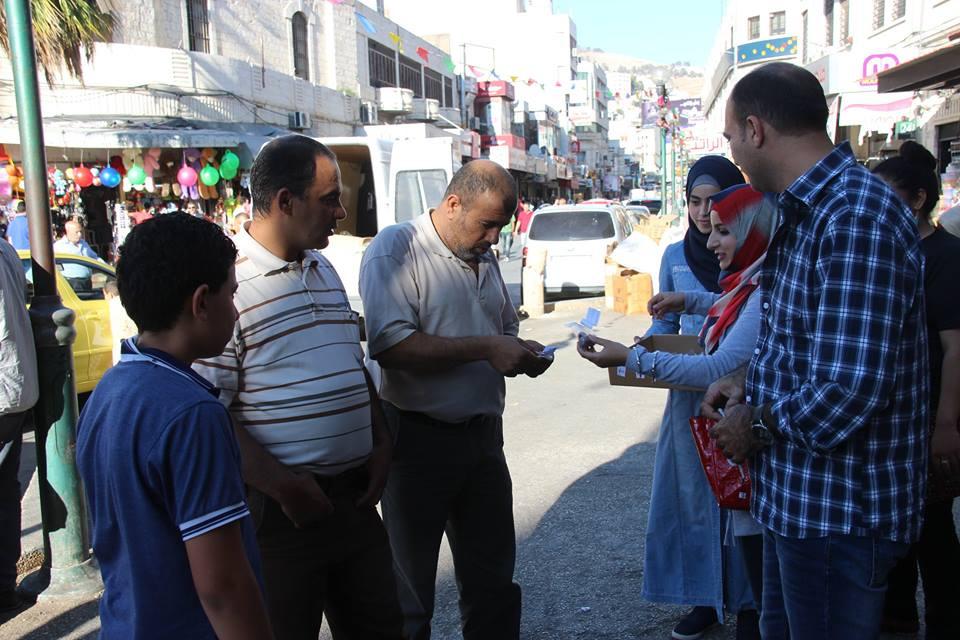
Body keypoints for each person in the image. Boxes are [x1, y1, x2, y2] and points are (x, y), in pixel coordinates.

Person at [701, 62, 927, 640]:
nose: (733, 153)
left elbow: (848, 388)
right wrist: (747, 381)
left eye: (730, 137)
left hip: (839, 512)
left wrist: (754, 424)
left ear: (755, 130)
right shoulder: (807, 209)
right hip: (800, 503)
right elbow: (807, 342)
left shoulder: (854, 214)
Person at [193, 134, 403, 640]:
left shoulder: (322, 265)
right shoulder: (228, 283)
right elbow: (210, 412)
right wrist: (284, 487)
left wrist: (379, 442)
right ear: (285, 201)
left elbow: (350, 364)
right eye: (329, 199)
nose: (341, 212)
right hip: (281, 515)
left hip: (353, 501)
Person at [359, 160, 553, 640]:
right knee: (409, 597)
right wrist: (487, 348)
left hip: (482, 440)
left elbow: (502, 327)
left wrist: (517, 350)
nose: (493, 237)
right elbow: (390, 346)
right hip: (415, 441)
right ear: (452, 204)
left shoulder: (482, 254)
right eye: (486, 224)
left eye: (500, 227)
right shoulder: (396, 249)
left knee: (493, 586)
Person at [578, 184, 774, 640]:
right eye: (697, 207)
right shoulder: (748, 279)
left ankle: (749, 614)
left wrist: (630, 359)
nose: (710, 237)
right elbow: (727, 306)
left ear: (752, 230)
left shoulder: (764, 287)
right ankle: (714, 602)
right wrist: (688, 301)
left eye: (724, 229)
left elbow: (718, 366)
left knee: (763, 580)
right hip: (718, 426)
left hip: (750, 439)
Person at [76, 213, 273, 639]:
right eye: (231, 294)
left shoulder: (109, 390)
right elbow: (223, 586)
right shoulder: (193, 414)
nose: (235, 310)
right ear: (201, 302)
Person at [615, 155, 748, 639]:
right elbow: (665, 323)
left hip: (740, 393)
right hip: (688, 396)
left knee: (743, 500)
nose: (703, 214)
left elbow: (741, 310)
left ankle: (750, 603)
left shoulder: (750, 251)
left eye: (713, 202)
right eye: (694, 201)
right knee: (693, 497)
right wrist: (648, 343)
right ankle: (702, 598)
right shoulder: (674, 255)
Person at [873, 142, 960, 639]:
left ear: (918, 199)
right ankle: (898, 621)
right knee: (896, 529)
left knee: (933, 530)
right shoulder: (889, 250)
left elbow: (955, 348)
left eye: (887, 197)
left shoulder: (946, 256)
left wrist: (945, 425)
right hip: (894, 414)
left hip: (931, 414)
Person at [0, 238, 38, 613]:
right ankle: (3, 586)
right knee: (6, 493)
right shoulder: (7, 251)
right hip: (13, 388)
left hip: (5, 390)